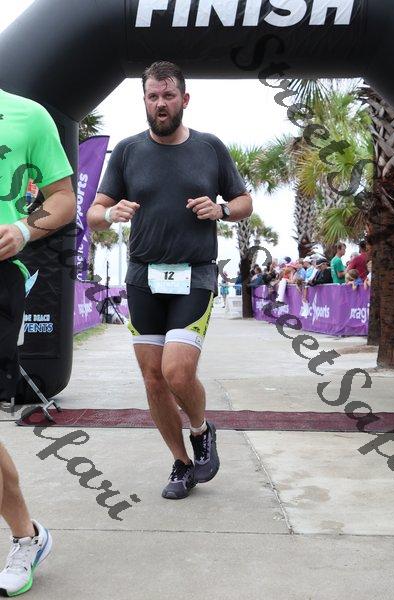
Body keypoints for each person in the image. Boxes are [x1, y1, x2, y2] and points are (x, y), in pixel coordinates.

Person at [87, 61, 252, 500]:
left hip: (194, 275)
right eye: (153, 96)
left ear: (184, 99)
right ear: (144, 100)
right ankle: (181, 463)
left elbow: (244, 201)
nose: (160, 104)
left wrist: (221, 210)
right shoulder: (127, 151)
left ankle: (201, 429)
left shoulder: (210, 148)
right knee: (153, 379)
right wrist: (111, 212)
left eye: (168, 95)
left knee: (176, 371)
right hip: (143, 277)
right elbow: (94, 214)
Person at [0, 89, 75, 595]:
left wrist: (24, 230)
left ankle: (26, 539)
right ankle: (29, 534)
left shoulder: (28, 115)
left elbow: (63, 198)